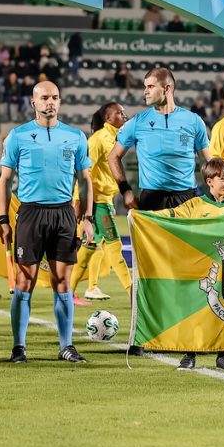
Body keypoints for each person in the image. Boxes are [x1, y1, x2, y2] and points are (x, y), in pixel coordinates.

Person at [108, 66, 210, 355]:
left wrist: (212, 195)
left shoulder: (193, 121)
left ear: (167, 88)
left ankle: (190, 336)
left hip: (187, 201)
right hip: (151, 201)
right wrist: (125, 190)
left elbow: (209, 162)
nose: (145, 92)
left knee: (190, 270)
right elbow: (113, 157)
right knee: (147, 271)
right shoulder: (138, 122)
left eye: (150, 86)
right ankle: (140, 337)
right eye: (144, 86)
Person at [0, 81, 93, 364]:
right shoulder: (18, 136)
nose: (50, 102)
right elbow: (4, 180)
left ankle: (66, 346)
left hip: (64, 214)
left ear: (60, 102)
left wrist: (87, 218)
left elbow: (86, 180)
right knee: (24, 281)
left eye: (55, 98)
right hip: (30, 214)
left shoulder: (75, 136)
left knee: (63, 282)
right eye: (44, 98)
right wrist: (3, 219)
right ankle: (19, 347)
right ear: (33, 102)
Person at [159, 157, 224, 372]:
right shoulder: (195, 205)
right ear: (210, 181)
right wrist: (142, 216)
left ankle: (223, 355)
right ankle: (189, 355)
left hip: (223, 271)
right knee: (194, 312)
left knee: (223, 313)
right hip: (197, 269)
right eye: (223, 179)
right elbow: (169, 216)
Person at [70, 102, 133, 302]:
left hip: (105, 199)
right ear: (108, 118)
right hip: (95, 202)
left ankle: (67, 293)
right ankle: (133, 292)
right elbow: (82, 171)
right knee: (115, 246)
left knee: (89, 249)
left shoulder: (117, 138)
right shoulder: (98, 140)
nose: (124, 115)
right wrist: (78, 199)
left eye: (124, 112)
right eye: (119, 113)